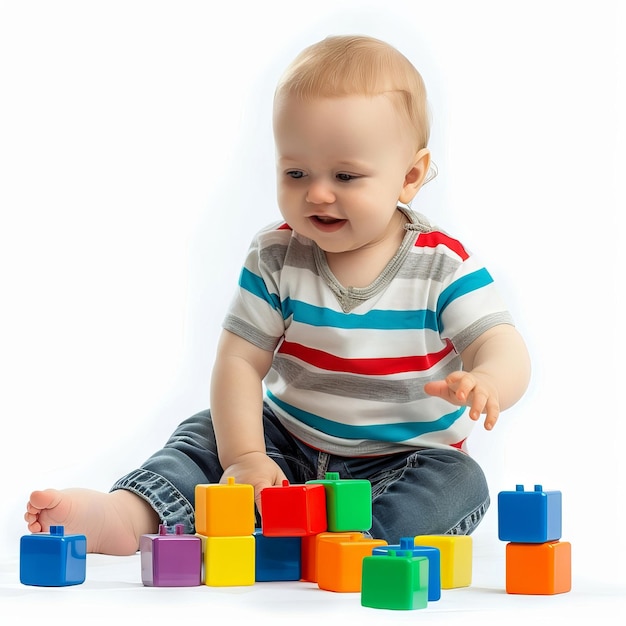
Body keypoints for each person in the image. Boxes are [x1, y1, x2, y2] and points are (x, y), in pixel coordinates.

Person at [25, 35, 531, 555]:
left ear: (410, 176)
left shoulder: (442, 266)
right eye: (296, 172)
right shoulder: (276, 256)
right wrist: (245, 455)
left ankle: (353, 543)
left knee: (459, 481)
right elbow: (240, 362)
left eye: (345, 175)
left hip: (400, 459)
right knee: (203, 436)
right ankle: (130, 513)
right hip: (286, 443)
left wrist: (489, 378)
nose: (316, 192)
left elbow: (501, 344)